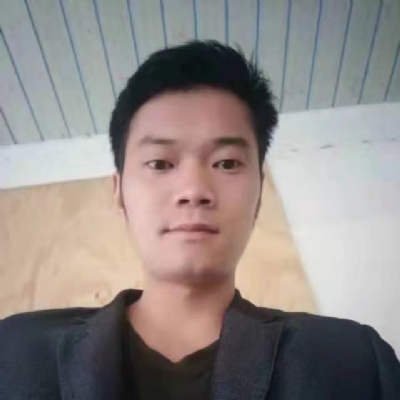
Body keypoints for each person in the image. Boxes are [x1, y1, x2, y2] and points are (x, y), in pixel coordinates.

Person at [0, 40, 399, 400]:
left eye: (226, 163)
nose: (193, 190)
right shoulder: (14, 352)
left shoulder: (353, 362)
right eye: (160, 163)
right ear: (119, 191)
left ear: (259, 192)